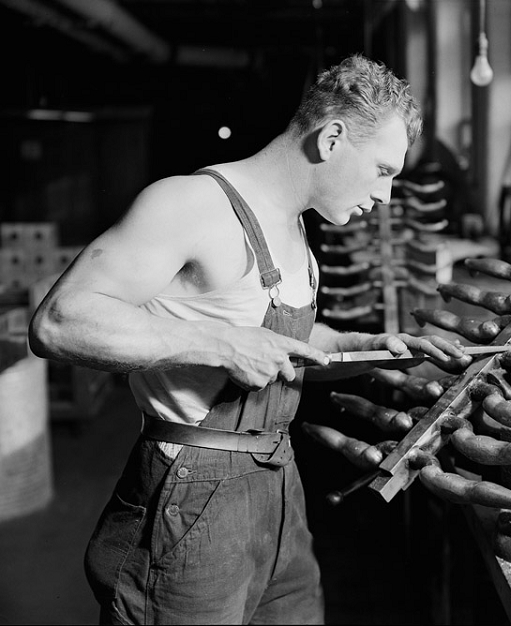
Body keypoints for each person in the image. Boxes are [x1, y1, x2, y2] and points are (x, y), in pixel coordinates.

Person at [29, 54, 464, 625]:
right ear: (331, 138)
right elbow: (59, 321)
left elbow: (292, 346)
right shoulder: (192, 204)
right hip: (190, 496)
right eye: (383, 170)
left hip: (278, 482)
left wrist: (377, 346)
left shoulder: (295, 230)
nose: (385, 196)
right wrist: (221, 343)